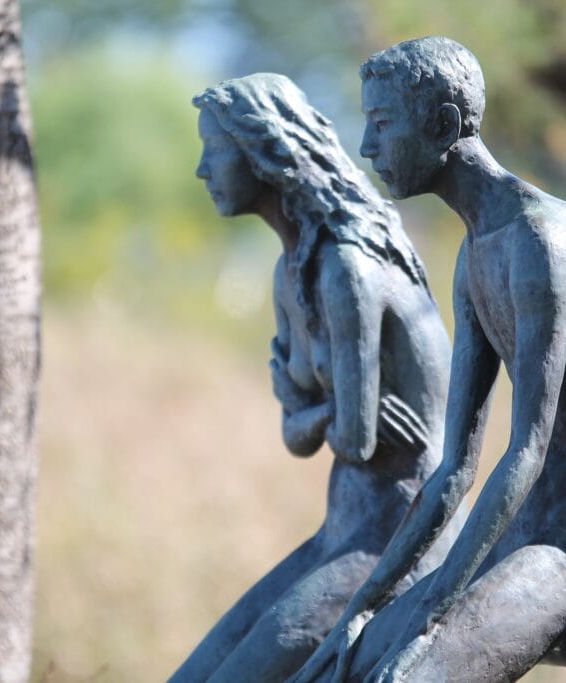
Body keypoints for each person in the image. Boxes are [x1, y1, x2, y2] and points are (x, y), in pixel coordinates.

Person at [291, 37, 566, 682]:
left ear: (443, 124)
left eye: (382, 124)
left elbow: (528, 451)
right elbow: (455, 469)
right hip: (525, 529)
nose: (367, 148)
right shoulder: (474, 259)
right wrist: (365, 607)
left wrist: (435, 612)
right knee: (343, 663)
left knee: (405, 675)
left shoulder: (541, 242)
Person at [169, 73, 468, 683]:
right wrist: (329, 415)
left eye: (214, 150)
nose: (202, 170)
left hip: (400, 539)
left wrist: (316, 412)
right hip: (341, 529)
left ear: (266, 153)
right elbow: (302, 435)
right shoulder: (290, 273)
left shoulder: (346, 269)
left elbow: (352, 443)